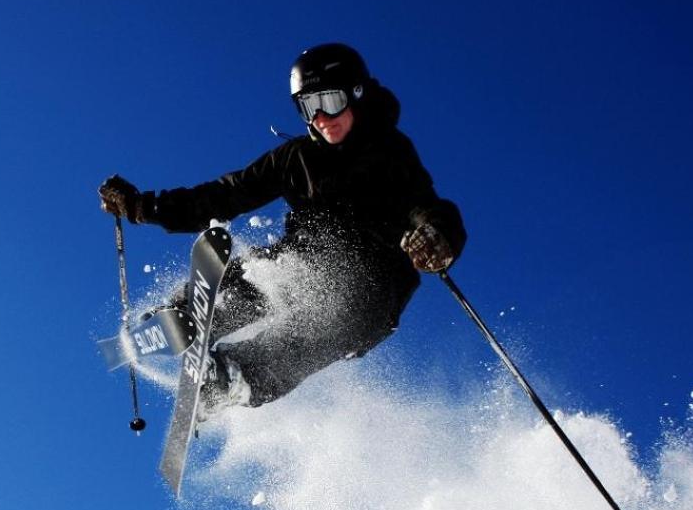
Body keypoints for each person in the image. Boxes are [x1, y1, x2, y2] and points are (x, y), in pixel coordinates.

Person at [99, 42, 466, 415]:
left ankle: (238, 376)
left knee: (328, 319)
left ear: (357, 94)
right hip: (308, 261)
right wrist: (143, 207)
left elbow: (428, 207)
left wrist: (437, 237)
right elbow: (226, 194)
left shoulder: (391, 154)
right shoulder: (298, 159)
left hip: (372, 290)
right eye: (308, 106)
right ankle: (188, 314)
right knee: (268, 271)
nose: (321, 117)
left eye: (330, 100)